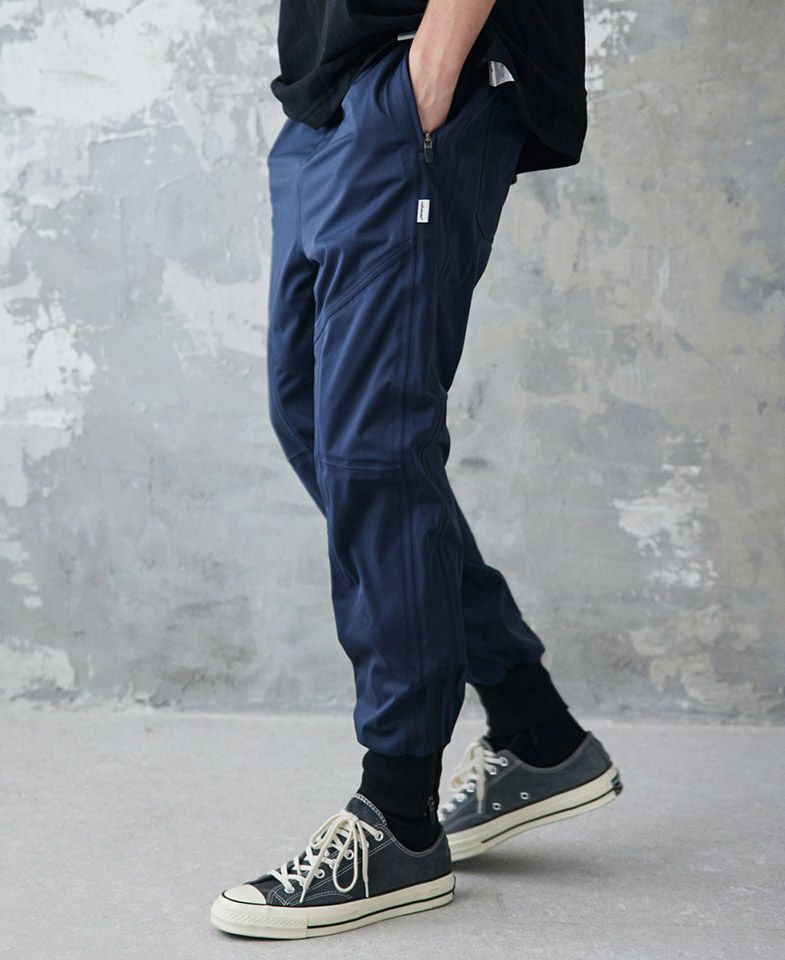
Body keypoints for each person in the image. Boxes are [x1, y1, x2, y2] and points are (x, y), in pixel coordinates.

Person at [210, 0, 622, 940]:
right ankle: (535, 729)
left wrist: (429, 76)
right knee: (317, 425)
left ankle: (398, 816)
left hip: (412, 86)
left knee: (375, 450)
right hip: (325, 102)